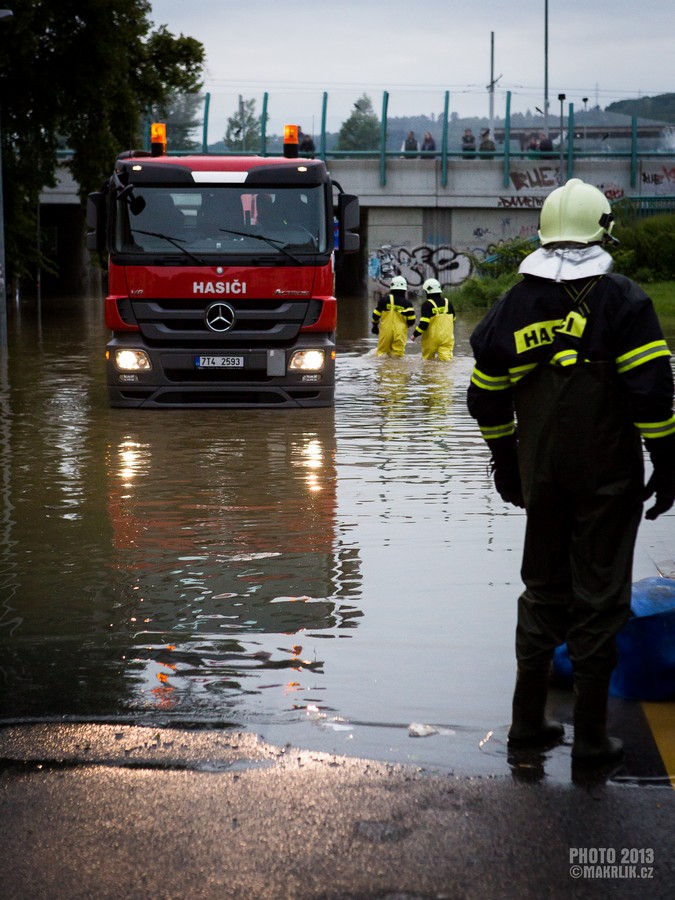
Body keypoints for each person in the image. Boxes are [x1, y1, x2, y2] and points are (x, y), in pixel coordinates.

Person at [466, 178, 675, 767]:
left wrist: (508, 461)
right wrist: (667, 460)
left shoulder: (511, 305)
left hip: (544, 480)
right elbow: (652, 397)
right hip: (609, 481)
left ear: (542, 233)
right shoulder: (625, 301)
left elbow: (485, 400)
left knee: (542, 594)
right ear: (603, 230)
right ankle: (589, 738)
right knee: (600, 600)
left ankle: (527, 727)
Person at [411, 278, 456, 360]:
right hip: (447, 338)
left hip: (431, 339)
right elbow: (453, 319)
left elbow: (424, 324)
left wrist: (415, 334)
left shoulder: (427, 305)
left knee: (427, 363)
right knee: (446, 363)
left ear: (427, 291)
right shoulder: (448, 303)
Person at [371, 275, 416, 357]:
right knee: (397, 356)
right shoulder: (407, 304)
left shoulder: (384, 300)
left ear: (392, 287)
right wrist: (405, 326)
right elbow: (412, 320)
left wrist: (374, 325)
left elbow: (376, 314)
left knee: (382, 354)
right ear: (405, 289)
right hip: (400, 333)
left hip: (385, 331)